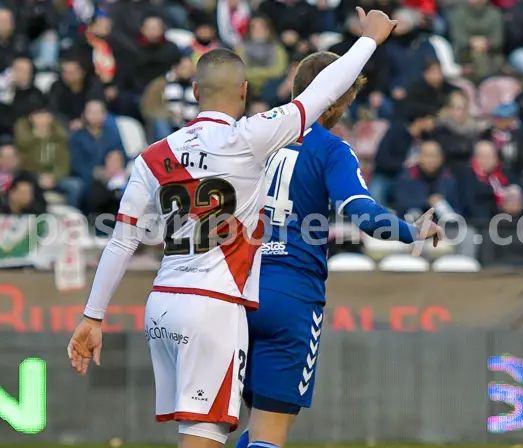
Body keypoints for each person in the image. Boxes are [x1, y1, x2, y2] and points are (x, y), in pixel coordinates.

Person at [67, 9, 401, 448]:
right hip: (213, 306)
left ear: (194, 91)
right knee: (203, 441)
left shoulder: (153, 154)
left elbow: (122, 241)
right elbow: (323, 92)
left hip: (162, 304)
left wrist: (93, 315)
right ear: (244, 92)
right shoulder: (249, 137)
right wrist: (370, 41)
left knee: (202, 434)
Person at [236, 51, 442, 448]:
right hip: (291, 294)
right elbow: (363, 214)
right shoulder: (331, 148)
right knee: (269, 431)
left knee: (234, 428)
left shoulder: (250, 131)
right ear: (337, 101)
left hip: (235, 288)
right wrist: (410, 231)